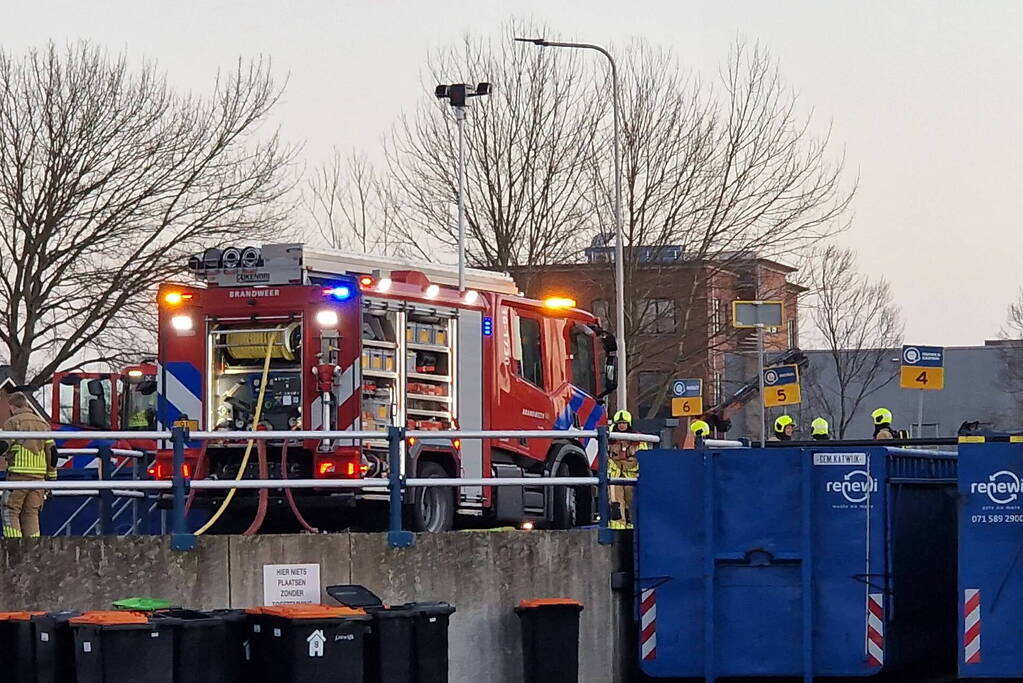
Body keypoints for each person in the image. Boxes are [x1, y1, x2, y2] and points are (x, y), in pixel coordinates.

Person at [1, 392, 57, 539]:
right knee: (31, 514)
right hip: (39, 479)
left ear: (12, 406)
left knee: (10, 511)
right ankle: (32, 552)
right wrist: (51, 478)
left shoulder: (13, 422)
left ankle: (14, 549)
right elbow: (52, 453)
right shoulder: (43, 424)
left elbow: (3, 445)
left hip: (18, 476)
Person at [608, 409, 646, 530]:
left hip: (632, 476)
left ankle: (634, 527)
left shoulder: (637, 439)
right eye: (619, 423)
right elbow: (606, 458)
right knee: (617, 503)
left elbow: (642, 457)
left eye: (624, 422)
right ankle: (619, 529)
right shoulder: (609, 439)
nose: (622, 425)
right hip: (616, 476)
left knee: (632, 503)